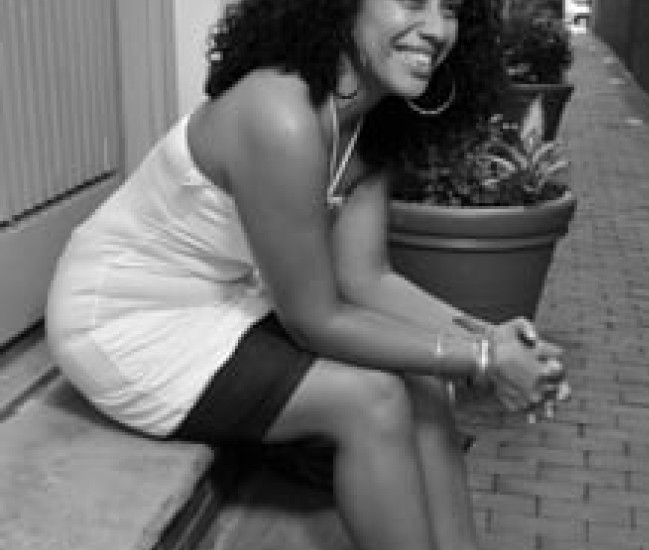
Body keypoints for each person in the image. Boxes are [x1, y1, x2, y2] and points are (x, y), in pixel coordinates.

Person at [45, 1, 569, 549]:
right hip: (123, 320)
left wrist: (496, 341)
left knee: (423, 379)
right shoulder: (279, 112)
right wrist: (482, 361)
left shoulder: (367, 122)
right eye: (413, 1)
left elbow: (366, 280)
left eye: (451, 9)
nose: (437, 30)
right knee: (369, 400)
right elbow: (314, 320)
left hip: (221, 300)